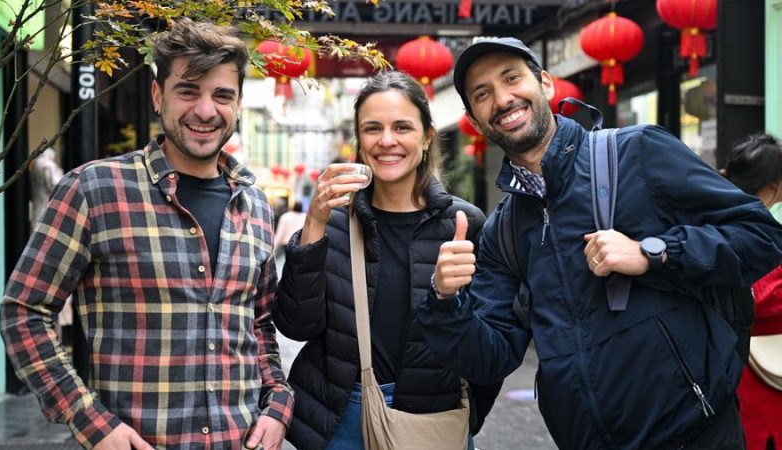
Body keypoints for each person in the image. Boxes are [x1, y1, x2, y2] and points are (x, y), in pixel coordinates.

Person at [416, 37, 782, 450]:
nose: (502, 99)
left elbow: (761, 235)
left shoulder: (637, 152)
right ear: (475, 119)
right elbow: (491, 357)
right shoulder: (504, 230)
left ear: (546, 84)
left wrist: (655, 252)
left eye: (512, 78)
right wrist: (445, 302)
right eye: (483, 94)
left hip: (695, 435)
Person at [0, 18, 292, 450]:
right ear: (158, 96)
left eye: (222, 95)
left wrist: (277, 404)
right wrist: (90, 420)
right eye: (188, 90)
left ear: (238, 104)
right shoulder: (93, 190)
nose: (206, 110)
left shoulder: (256, 206)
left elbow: (260, 322)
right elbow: (24, 312)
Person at [272, 70, 499, 450]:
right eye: (373, 128)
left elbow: (488, 343)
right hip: (343, 414)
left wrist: (448, 299)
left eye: (402, 127)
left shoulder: (464, 224)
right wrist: (313, 227)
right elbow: (296, 325)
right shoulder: (334, 222)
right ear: (359, 141)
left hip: (433, 415)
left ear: (427, 136)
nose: (387, 141)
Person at [725, 133, 782, 450]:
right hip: (762, 363)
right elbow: (761, 296)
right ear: (772, 187)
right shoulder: (759, 230)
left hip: (732, 355)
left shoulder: (716, 219)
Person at [273, 201, 307, 269]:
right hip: (300, 243)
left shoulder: (286, 216)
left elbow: (280, 232)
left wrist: (274, 246)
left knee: (287, 262)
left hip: (287, 243)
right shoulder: (305, 217)